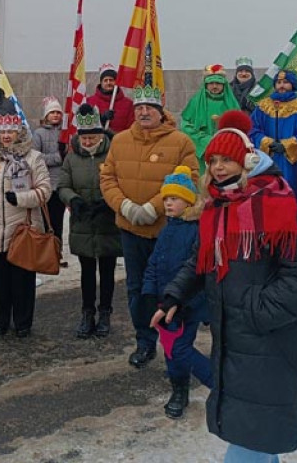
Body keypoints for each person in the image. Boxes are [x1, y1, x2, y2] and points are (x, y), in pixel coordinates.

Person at [155, 110, 297, 462]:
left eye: (227, 159)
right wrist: (175, 293)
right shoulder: (219, 206)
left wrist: (256, 310)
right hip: (236, 338)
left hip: (270, 340)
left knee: (253, 433)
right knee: (256, 431)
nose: (218, 167)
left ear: (247, 160)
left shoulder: (278, 203)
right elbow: (202, 257)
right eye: (213, 160)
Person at [99, 85, 199, 367]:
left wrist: (152, 208)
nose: (143, 112)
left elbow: (189, 179)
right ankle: (144, 341)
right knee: (137, 288)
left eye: (149, 108)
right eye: (139, 108)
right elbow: (107, 179)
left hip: (167, 231)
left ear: (160, 112)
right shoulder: (119, 141)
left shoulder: (181, 142)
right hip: (130, 229)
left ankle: (174, 344)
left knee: (169, 287)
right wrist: (126, 207)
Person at [140, 166, 211, 419]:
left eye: (175, 199)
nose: (169, 203)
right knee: (171, 349)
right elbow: (153, 265)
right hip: (163, 303)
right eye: (166, 198)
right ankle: (179, 389)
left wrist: (184, 303)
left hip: (185, 305)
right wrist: (149, 295)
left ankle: (219, 384)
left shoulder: (196, 230)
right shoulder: (167, 228)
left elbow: (197, 271)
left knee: (179, 349)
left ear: (188, 201)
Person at [0, 113, 52, 337]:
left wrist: (21, 199)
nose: (6, 136)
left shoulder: (34, 158)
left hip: (24, 229)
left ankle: (23, 323)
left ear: (19, 133)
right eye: (2, 132)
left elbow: (45, 192)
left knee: (22, 280)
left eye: (10, 132)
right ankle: (0, 321)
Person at [57, 104, 119, 339]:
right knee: (86, 271)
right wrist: (73, 200)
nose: (89, 141)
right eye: (85, 138)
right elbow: (63, 185)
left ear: (101, 136)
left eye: (93, 137)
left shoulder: (112, 155)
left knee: (107, 269)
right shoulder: (72, 158)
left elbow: (119, 181)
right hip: (83, 221)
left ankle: (105, 312)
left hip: (107, 220)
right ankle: (87, 312)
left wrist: (108, 201)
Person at [250, 71, 297, 210]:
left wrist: (287, 146)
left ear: (292, 85)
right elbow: (253, 130)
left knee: (291, 192)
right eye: (279, 82)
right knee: (267, 192)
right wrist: (267, 143)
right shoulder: (262, 107)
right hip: (268, 159)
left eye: (285, 82)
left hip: (292, 162)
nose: (282, 86)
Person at [181, 64, 241, 166]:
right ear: (205, 85)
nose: (214, 86)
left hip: (226, 150)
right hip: (201, 152)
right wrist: (205, 140)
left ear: (224, 85)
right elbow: (185, 125)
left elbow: (239, 126)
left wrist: (224, 141)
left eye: (218, 83)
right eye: (211, 83)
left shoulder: (231, 103)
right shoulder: (195, 102)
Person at [32, 96, 67, 258]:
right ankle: (44, 252)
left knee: (57, 221)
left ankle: (56, 251)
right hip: (45, 184)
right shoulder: (38, 134)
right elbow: (36, 158)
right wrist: (58, 157)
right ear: (46, 115)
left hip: (60, 184)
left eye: (58, 113)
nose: (55, 116)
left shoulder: (65, 133)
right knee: (44, 221)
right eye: (52, 112)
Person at [86, 64, 135, 135]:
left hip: (121, 143)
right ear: (101, 83)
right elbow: (86, 127)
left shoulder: (128, 104)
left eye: (111, 80)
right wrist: (101, 119)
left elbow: (132, 128)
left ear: (116, 82)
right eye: (105, 80)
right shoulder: (90, 102)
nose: (108, 83)